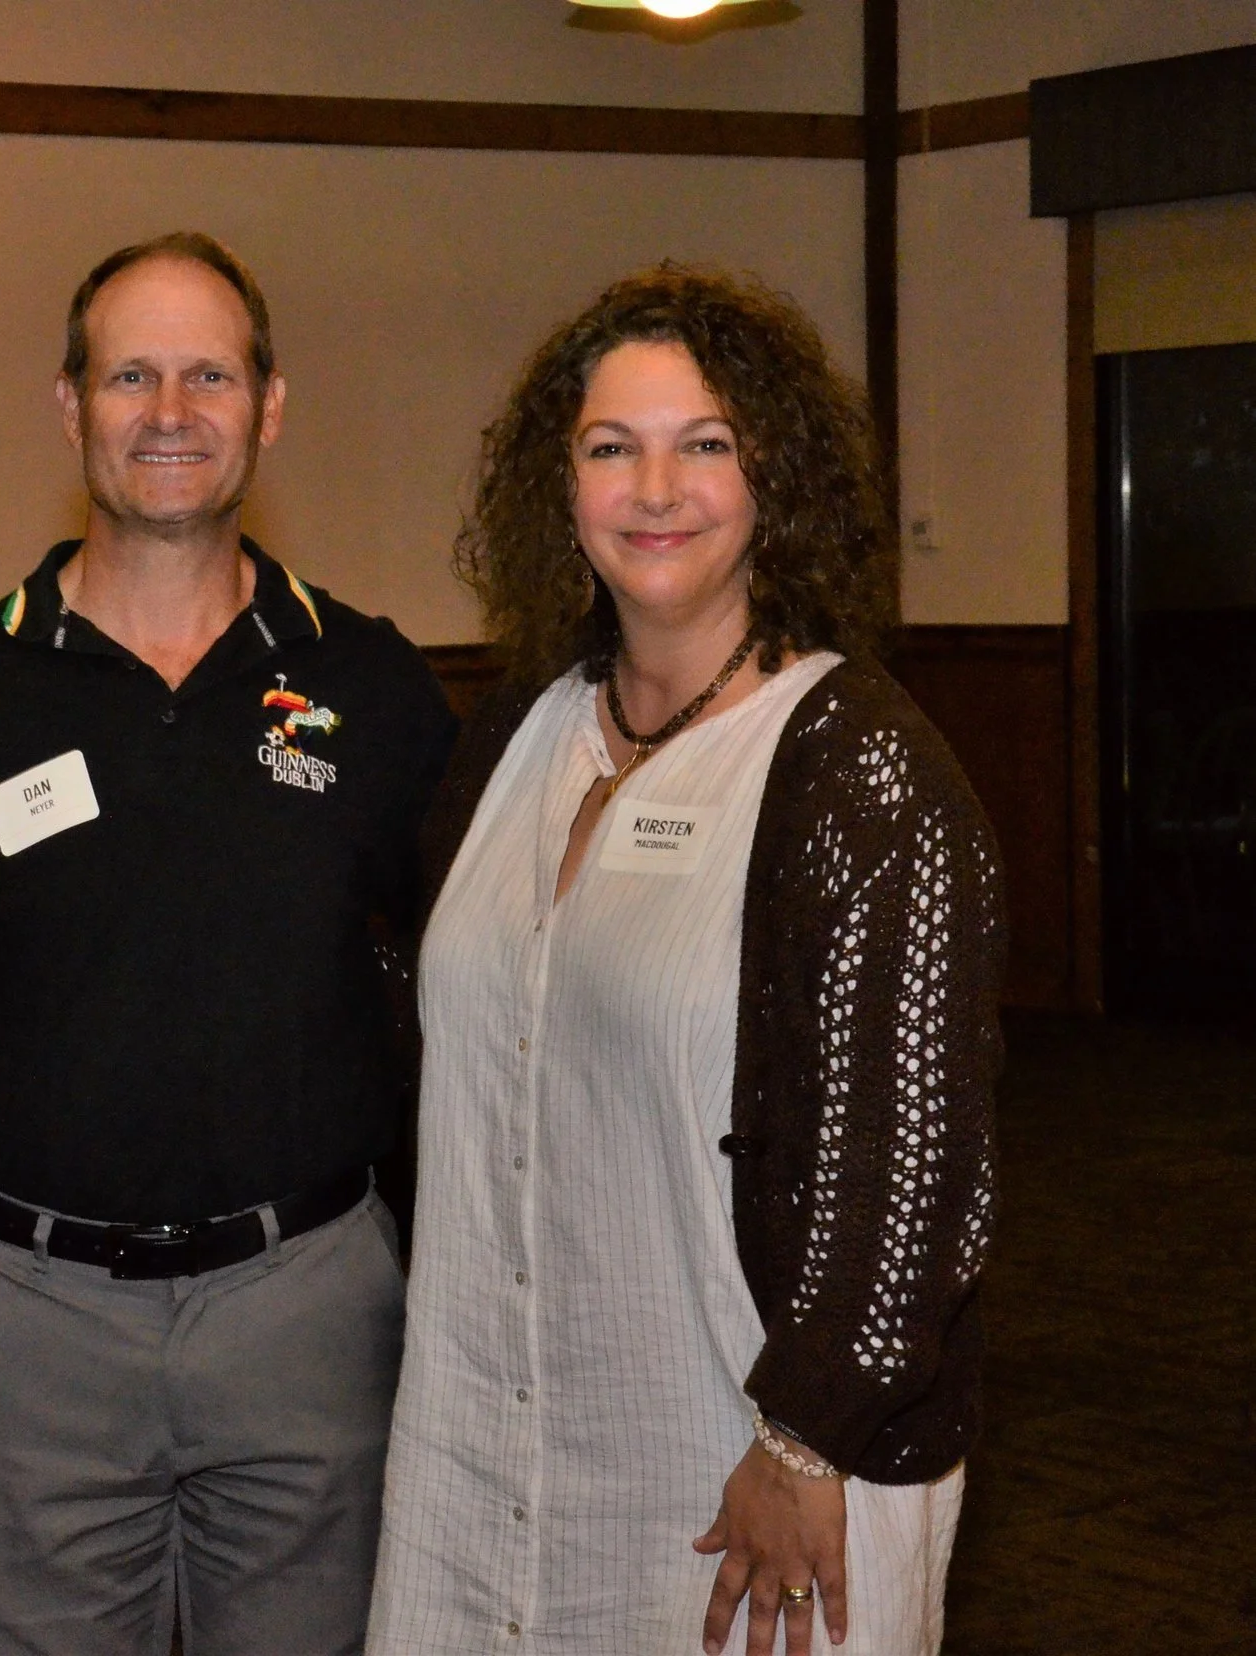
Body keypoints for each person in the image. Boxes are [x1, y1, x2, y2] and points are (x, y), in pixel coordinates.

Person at [367, 267, 1004, 1656]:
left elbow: (916, 1171)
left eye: (701, 444)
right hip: (494, 1439)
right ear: (562, 485)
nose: (653, 489)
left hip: (744, 1473)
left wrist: (803, 1442)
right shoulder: (514, 740)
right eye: (611, 449)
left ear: (771, 476)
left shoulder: (855, 767)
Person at [0, 231, 457, 1656]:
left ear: (268, 405)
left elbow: (449, 974)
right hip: (28, 1324)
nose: (169, 409)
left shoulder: (370, 684)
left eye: (207, 372)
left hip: (306, 1311)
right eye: (128, 373)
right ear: (69, 407)